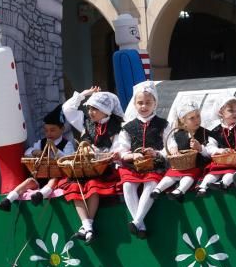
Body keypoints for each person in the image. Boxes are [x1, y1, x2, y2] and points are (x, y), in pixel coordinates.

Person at [62, 90, 125, 244]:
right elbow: (67, 109)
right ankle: (87, 226)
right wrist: (85, 93)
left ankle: (87, 227)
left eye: (94, 109)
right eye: (89, 108)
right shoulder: (85, 122)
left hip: (103, 169)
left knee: (93, 187)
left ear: (106, 110)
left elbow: (117, 149)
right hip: (84, 168)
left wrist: (101, 155)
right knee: (75, 187)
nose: (90, 112)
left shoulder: (117, 127)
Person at [0, 107, 75, 211]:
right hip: (40, 176)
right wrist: (35, 152)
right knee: (29, 181)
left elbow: (68, 159)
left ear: (62, 129)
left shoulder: (67, 144)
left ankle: (40, 195)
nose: (49, 133)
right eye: (46, 130)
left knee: (53, 180)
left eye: (52, 130)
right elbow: (27, 152)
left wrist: (55, 150)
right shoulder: (41, 143)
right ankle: (8, 200)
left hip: (57, 176)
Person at [115, 81, 168, 239]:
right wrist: (133, 155)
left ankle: (137, 221)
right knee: (128, 185)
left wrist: (157, 153)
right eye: (140, 103)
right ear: (134, 104)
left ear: (155, 104)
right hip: (134, 165)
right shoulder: (127, 127)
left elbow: (169, 148)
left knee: (151, 184)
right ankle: (141, 224)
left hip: (155, 164)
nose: (143, 106)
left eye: (147, 103)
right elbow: (123, 150)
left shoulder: (163, 124)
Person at [152, 99, 215, 201]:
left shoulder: (206, 134)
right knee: (170, 175)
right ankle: (157, 190)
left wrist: (200, 148)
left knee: (189, 177)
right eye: (192, 118)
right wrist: (156, 154)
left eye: (198, 116)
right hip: (179, 167)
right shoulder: (177, 135)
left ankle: (179, 191)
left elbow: (211, 153)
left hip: (197, 167)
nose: (197, 120)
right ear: (182, 120)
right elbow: (167, 151)